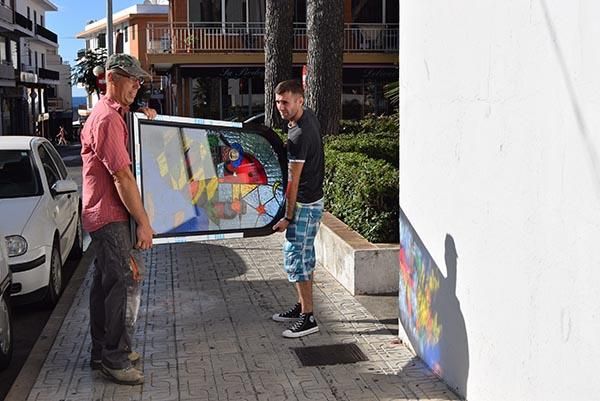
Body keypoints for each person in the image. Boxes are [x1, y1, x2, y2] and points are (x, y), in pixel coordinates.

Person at [80, 53, 155, 385]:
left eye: (140, 81)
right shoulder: (107, 120)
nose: (137, 86)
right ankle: (115, 358)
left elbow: (127, 132)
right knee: (125, 285)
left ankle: (102, 351)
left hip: (101, 214)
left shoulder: (113, 114)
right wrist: (144, 222)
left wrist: (144, 118)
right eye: (133, 80)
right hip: (112, 216)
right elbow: (122, 178)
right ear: (113, 79)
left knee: (105, 285)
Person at [271, 80, 325, 338]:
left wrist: (287, 217)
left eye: (286, 102)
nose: (281, 107)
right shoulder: (307, 118)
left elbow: (293, 182)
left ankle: (308, 317)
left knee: (297, 259)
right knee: (305, 257)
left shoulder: (298, 136)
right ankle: (302, 307)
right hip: (313, 202)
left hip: (303, 206)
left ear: (299, 100)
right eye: (278, 101)